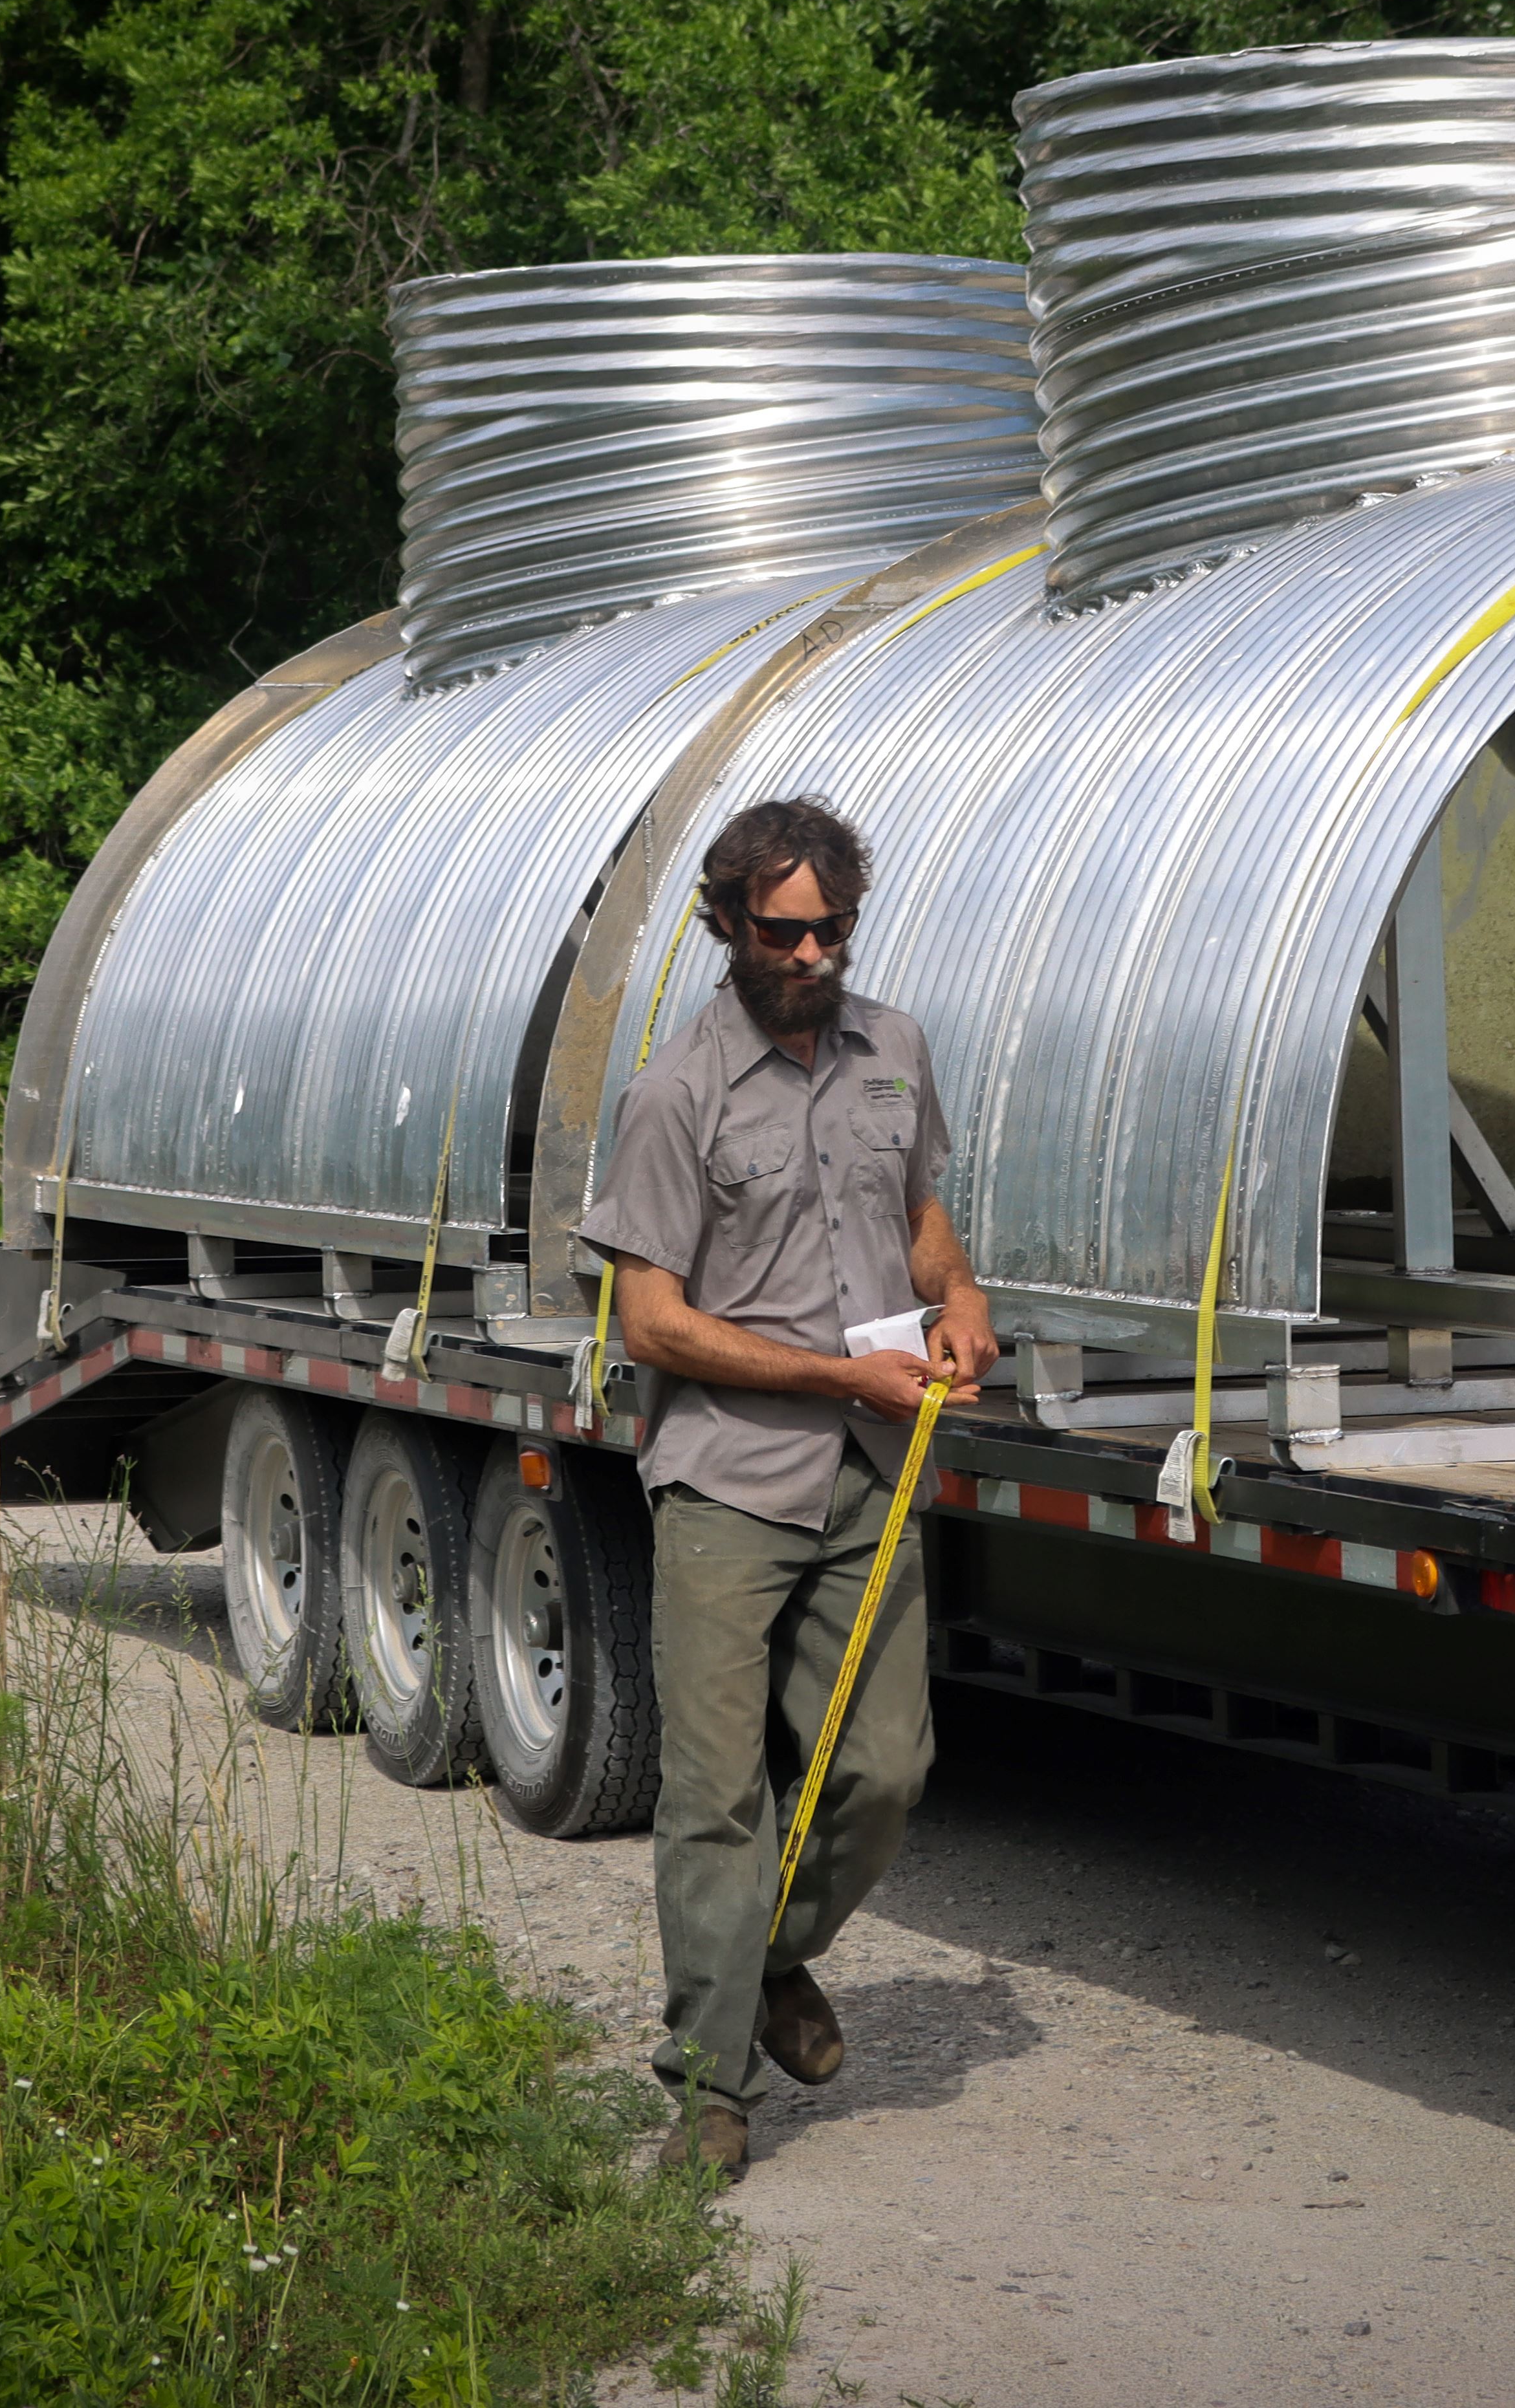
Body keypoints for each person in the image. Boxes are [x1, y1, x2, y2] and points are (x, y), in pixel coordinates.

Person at [576, 795, 997, 2183]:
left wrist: (963, 1301)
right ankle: (708, 2088)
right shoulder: (673, 1094)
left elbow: (919, 1220)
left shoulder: (898, 1050)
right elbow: (652, 1324)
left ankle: (764, 1957)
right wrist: (837, 1378)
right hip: (726, 1484)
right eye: (783, 929)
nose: (810, 952)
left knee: (882, 1769)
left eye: (831, 928)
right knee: (713, 1797)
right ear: (728, 924)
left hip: (873, 1477)